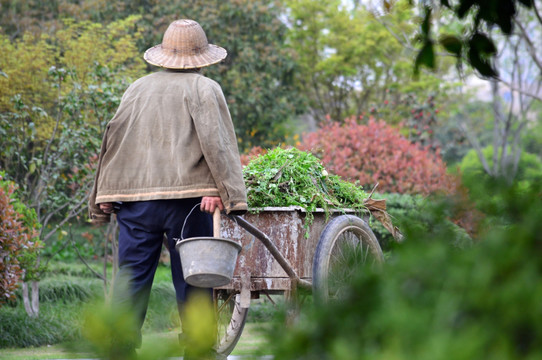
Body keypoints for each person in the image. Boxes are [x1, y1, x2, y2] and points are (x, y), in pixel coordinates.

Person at [88, 19, 247, 358]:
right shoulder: (205, 88)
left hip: (136, 202)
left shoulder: (137, 88)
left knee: (130, 279)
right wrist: (226, 191)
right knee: (195, 279)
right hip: (189, 202)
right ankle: (198, 350)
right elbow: (218, 146)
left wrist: (104, 193)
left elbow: (113, 137)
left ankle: (117, 349)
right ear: (203, 58)